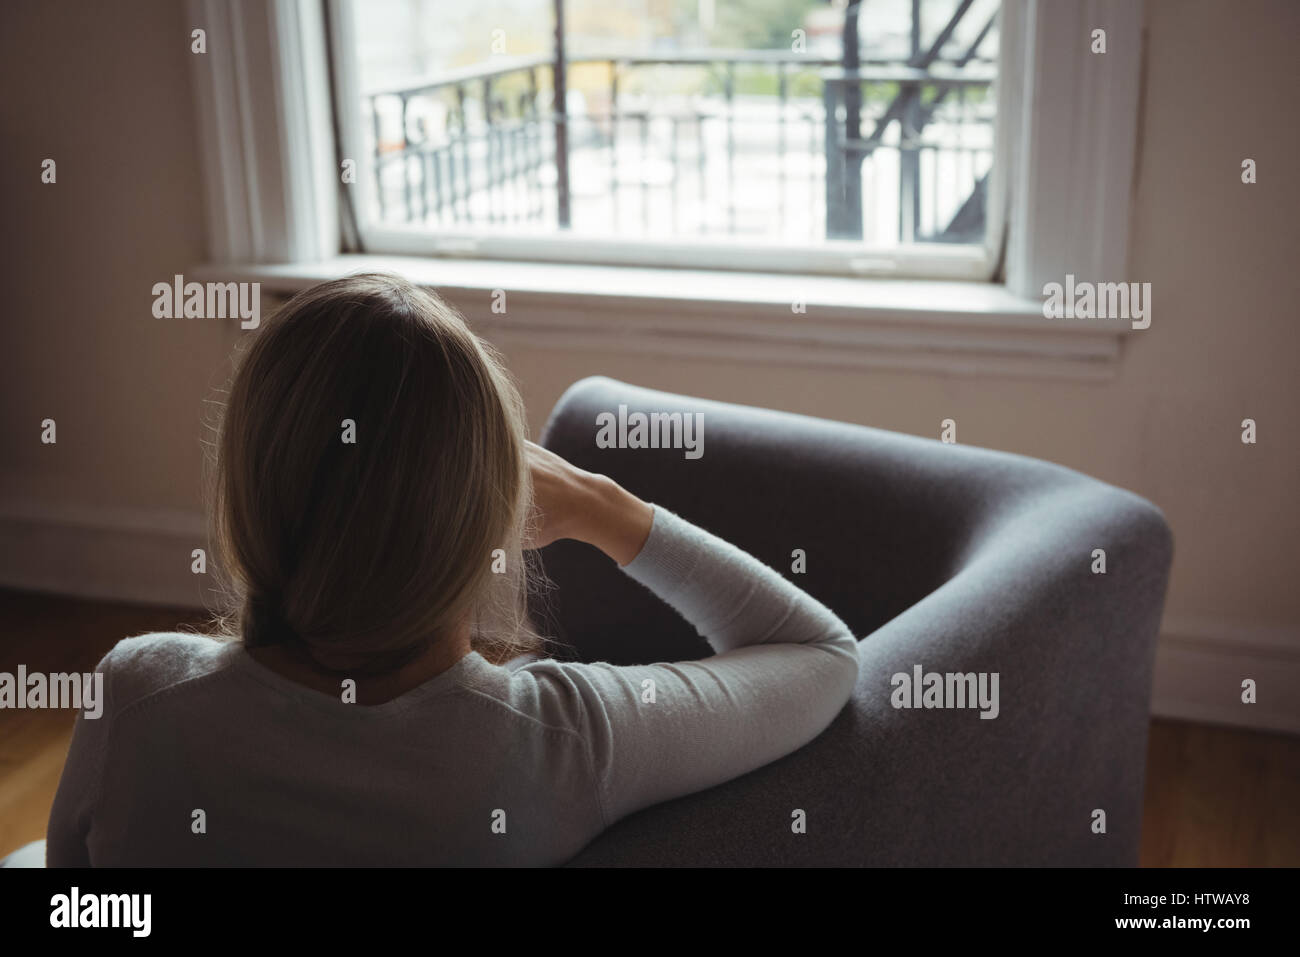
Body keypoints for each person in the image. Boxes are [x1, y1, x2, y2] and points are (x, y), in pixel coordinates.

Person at [46, 273, 859, 866]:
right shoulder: (562, 744)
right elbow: (820, 653)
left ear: (247, 486)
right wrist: (604, 506)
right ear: (491, 515)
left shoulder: (137, 699)